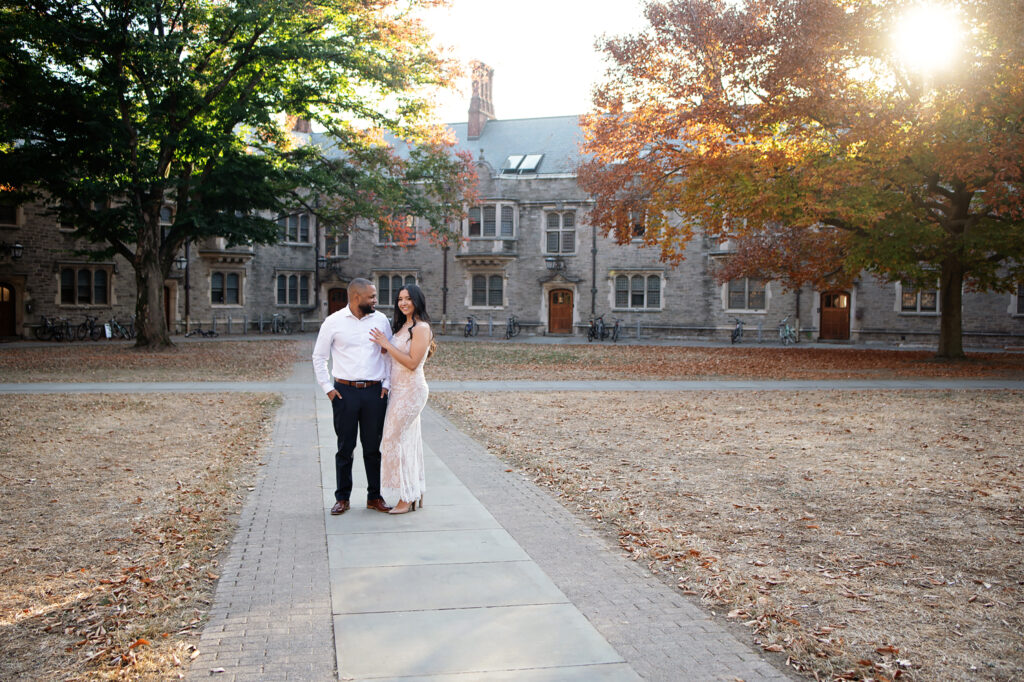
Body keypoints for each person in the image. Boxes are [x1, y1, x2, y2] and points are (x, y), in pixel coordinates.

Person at [312, 278, 393, 515]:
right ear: (357, 297)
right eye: (372, 297)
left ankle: (374, 497)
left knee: (373, 448)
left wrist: (386, 385)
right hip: (344, 393)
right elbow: (319, 356)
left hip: (374, 392)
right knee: (345, 448)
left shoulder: (381, 320)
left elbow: (387, 354)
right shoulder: (333, 322)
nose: (376, 301)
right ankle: (343, 498)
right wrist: (328, 388)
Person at [369, 284, 434, 515]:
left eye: (408, 299)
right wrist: (387, 349)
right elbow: (397, 356)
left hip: (412, 390)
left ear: (417, 300)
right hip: (398, 390)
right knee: (407, 440)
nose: (403, 303)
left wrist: (387, 345)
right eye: (400, 299)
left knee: (392, 439)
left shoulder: (422, 328)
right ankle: (413, 491)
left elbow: (412, 362)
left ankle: (405, 497)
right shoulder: (403, 326)